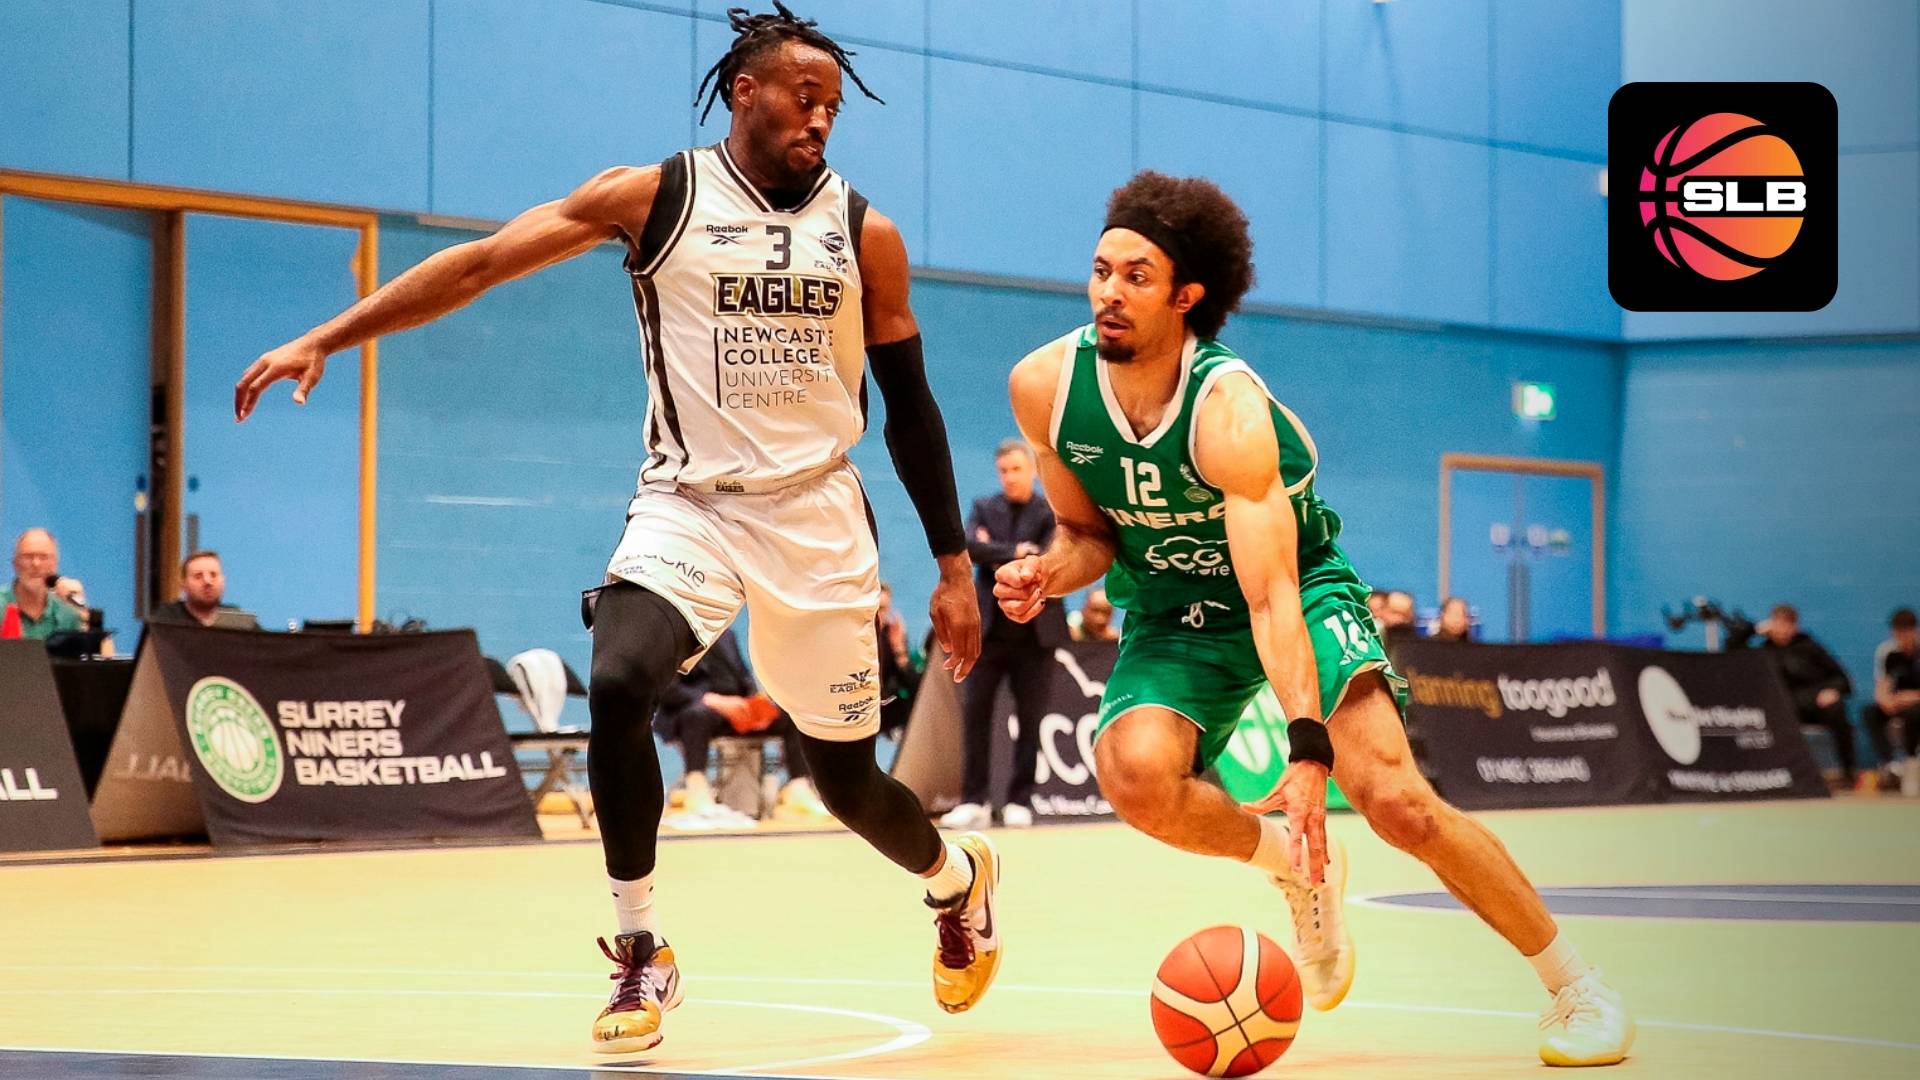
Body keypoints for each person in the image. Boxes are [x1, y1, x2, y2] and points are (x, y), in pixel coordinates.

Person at [232, 3, 1000, 1055]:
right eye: (803, 96)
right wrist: (330, 334)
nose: (821, 117)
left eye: (833, 104)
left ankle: (956, 882)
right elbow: (482, 263)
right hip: (688, 503)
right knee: (623, 679)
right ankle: (641, 947)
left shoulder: (865, 233)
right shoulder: (655, 198)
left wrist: (953, 565)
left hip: (816, 515)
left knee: (849, 787)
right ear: (744, 91)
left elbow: (911, 405)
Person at [994, 171, 1633, 1067]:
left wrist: (1306, 751)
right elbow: (1088, 533)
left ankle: (1578, 986)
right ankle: (1290, 867)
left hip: (1297, 588)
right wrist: (1047, 570)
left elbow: (1271, 598)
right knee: (1135, 778)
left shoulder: (1228, 410)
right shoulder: (1044, 386)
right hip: (1175, 608)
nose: (1108, 291)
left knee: (1398, 804)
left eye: (1137, 276)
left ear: (1186, 295)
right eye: (1102, 270)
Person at [942, 439, 1068, 831]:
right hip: (989, 633)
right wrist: (1015, 551)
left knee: (1031, 720)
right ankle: (974, 800)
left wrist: (996, 550)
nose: (1010, 477)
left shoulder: (1052, 512)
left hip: (1036, 637)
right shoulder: (984, 507)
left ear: (1033, 470)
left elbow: (1046, 559)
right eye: (1004, 471)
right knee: (975, 716)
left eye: (1016, 469)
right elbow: (969, 548)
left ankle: (1020, 799)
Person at [653, 625, 826, 824]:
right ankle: (696, 790)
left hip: (735, 711)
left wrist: (753, 703)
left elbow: (743, 676)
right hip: (692, 710)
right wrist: (713, 701)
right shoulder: (674, 634)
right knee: (697, 716)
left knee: (790, 716)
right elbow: (667, 689)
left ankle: (798, 788)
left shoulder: (727, 635)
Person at [1757, 604, 1856, 784]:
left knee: (1838, 710)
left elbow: (1842, 678)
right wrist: (1753, 631)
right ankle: (1784, 774)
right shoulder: (1764, 650)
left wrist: (1833, 690)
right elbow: (1733, 653)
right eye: (1778, 623)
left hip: (1814, 704)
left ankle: (1849, 772)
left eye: (1787, 624)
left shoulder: (1810, 647)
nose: (1782, 629)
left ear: (1795, 626)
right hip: (1784, 708)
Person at [1862, 608, 1920, 792]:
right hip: (1897, 703)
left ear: (1914, 631)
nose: (1901, 638)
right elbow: (1882, 684)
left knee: (1913, 714)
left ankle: (1911, 762)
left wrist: (1910, 697)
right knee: (1870, 712)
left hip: (1915, 704)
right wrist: (1885, 700)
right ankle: (1890, 764)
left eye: (1905, 633)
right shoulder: (1887, 652)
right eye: (1897, 633)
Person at [0, 528, 85, 641]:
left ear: (55, 564)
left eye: (44, 557)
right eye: (28, 556)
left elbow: (101, 651)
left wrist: (81, 608)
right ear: (15, 564)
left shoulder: (67, 613)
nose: (36, 564)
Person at [148, 550, 251, 628]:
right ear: (183, 585)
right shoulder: (165, 618)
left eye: (213, 575)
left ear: (223, 582)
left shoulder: (237, 620)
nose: (207, 581)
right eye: (198, 576)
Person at [875, 582, 923, 737]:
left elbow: (915, 685)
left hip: (883, 707)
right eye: (874, 609)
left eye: (883, 609)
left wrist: (899, 649)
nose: (878, 616)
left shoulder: (891, 635)